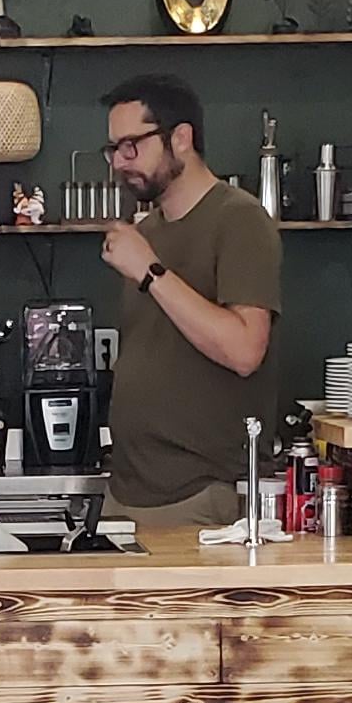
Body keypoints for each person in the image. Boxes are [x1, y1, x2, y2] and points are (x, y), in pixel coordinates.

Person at [99, 76, 282, 528]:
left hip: (198, 496)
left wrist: (150, 272)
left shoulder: (239, 219)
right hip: (127, 493)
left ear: (181, 138)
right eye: (113, 149)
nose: (119, 162)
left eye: (131, 146)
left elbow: (245, 350)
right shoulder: (147, 234)